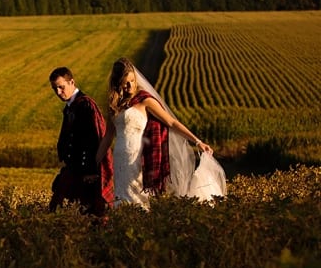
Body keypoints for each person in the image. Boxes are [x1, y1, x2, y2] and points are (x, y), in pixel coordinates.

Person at [95, 57, 226, 209]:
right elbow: (108, 136)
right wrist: (96, 161)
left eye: (132, 80)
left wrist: (197, 141)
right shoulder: (114, 105)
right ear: (118, 82)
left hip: (138, 158)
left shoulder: (145, 100)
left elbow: (171, 122)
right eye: (126, 81)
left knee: (138, 199)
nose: (130, 85)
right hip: (119, 158)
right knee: (121, 198)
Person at [48, 67, 114, 215]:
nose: (58, 92)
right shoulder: (71, 106)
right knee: (62, 209)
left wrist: (90, 170)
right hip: (74, 167)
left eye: (61, 87)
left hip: (86, 170)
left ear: (72, 82)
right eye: (55, 89)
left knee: (89, 212)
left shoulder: (85, 105)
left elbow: (93, 138)